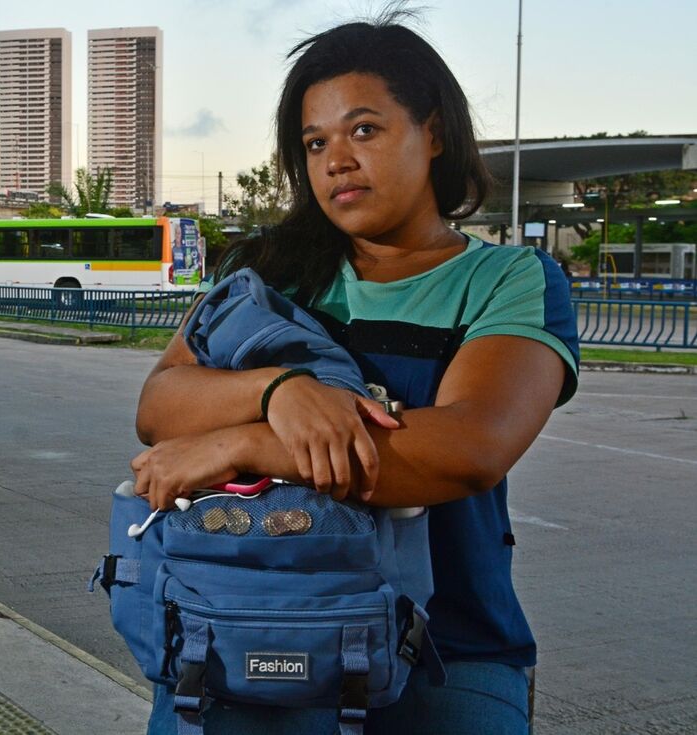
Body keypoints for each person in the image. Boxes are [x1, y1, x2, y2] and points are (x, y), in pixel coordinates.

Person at [131, 12, 578, 735]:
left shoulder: (508, 280)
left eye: (364, 130)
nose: (337, 159)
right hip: (252, 626)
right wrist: (279, 390)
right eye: (316, 142)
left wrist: (242, 443)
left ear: (432, 132)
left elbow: (467, 448)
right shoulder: (267, 272)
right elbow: (161, 403)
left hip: (444, 654)